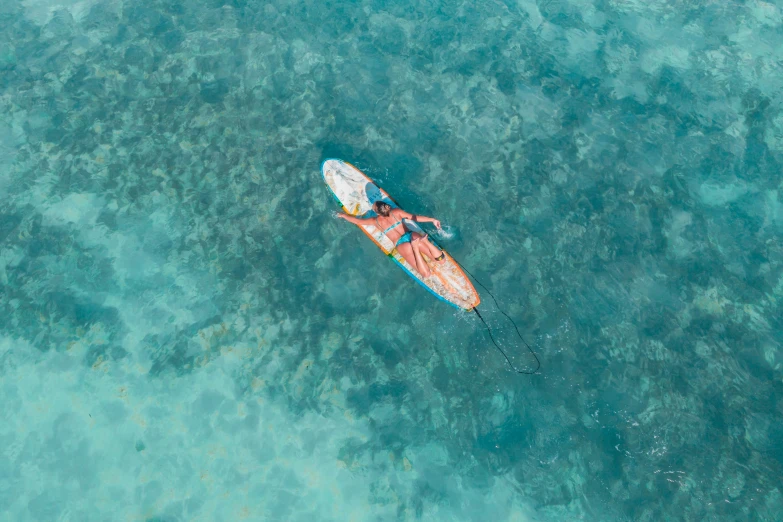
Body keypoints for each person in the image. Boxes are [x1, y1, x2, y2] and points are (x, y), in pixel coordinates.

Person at [337, 201, 445, 277]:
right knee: (442, 261)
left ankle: (415, 249)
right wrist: (432, 219)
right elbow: (414, 217)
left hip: (402, 244)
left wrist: (343, 215)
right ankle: (425, 242)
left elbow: (358, 221)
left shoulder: (375, 221)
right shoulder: (396, 212)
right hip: (412, 236)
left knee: (426, 274)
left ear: (378, 213)